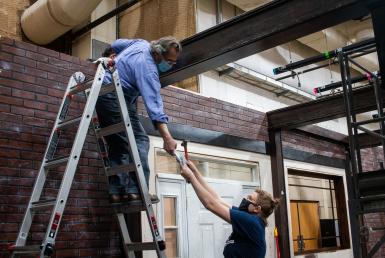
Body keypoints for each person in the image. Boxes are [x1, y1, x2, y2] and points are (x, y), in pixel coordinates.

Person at [95, 36, 182, 203]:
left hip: (103, 93)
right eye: (169, 62)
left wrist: (110, 56)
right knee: (140, 140)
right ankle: (138, 189)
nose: (171, 65)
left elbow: (115, 44)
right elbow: (154, 108)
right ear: (157, 54)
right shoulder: (149, 70)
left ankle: (117, 191)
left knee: (119, 144)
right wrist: (167, 138)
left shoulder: (141, 43)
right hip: (115, 97)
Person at [179, 160, 279, 258]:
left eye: (250, 198)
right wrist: (195, 172)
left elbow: (210, 204)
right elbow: (217, 199)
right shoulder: (249, 218)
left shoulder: (252, 222)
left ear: (257, 209)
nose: (245, 199)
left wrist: (191, 178)